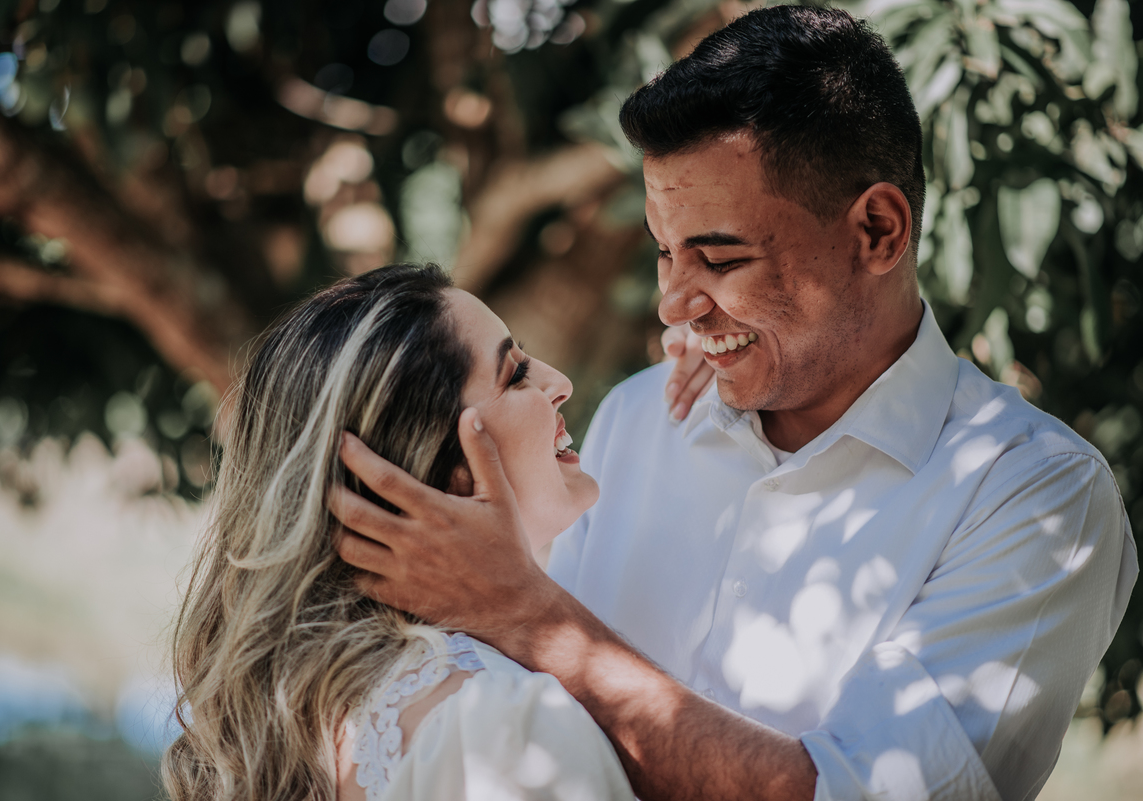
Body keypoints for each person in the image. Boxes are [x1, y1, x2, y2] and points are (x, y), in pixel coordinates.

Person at [330, 7, 1139, 801]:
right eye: (664, 253)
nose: (674, 304)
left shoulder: (1034, 495)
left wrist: (531, 616)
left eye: (719, 258)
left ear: (878, 230)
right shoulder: (639, 418)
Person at [162, 264, 633, 801]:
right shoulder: (504, 727)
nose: (560, 384)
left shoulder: (285, 724)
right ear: (430, 469)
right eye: (515, 375)